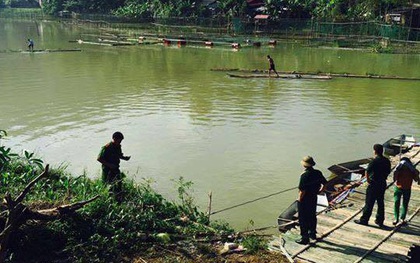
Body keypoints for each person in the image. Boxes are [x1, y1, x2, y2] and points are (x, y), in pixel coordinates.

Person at [354, 144, 391, 227]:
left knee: (369, 203)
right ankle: (380, 220)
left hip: (374, 183)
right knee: (380, 202)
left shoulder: (374, 161)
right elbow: (388, 171)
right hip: (382, 183)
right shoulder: (386, 161)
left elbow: (367, 171)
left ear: (375, 151)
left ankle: (364, 220)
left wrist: (368, 180)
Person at [296, 156, 327, 245]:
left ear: (304, 165)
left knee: (303, 218)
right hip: (313, 197)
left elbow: (302, 190)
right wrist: (321, 191)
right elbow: (325, 183)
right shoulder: (318, 172)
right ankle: (312, 233)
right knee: (312, 216)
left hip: (305, 199)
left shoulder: (304, 175)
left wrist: (299, 199)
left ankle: (304, 238)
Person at [97, 132, 131, 201]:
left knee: (119, 184)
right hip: (107, 170)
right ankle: (108, 200)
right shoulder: (107, 147)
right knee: (108, 185)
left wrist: (125, 158)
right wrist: (109, 165)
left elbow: (118, 155)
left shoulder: (118, 146)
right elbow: (99, 158)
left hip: (115, 168)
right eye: (119, 140)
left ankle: (118, 199)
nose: (120, 142)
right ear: (114, 139)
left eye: (121, 141)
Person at [393, 157, 419, 225]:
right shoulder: (401, 169)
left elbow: (416, 178)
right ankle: (397, 218)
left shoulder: (410, 170)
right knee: (398, 202)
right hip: (399, 187)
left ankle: (401, 218)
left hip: (406, 188)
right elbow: (395, 176)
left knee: (402, 203)